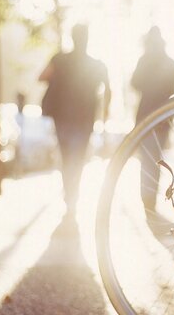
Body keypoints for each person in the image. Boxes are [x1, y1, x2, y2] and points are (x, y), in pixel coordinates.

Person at [39, 24, 111, 216]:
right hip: (85, 119)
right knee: (78, 158)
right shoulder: (97, 64)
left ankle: (70, 197)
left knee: (67, 157)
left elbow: (42, 76)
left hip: (62, 117)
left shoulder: (60, 59)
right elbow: (108, 90)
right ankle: (73, 197)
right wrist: (105, 115)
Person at [131, 26, 174, 210]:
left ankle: (147, 197)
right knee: (156, 158)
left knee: (147, 159)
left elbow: (134, 83)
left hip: (145, 115)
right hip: (164, 116)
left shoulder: (144, 60)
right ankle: (151, 198)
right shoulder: (170, 62)